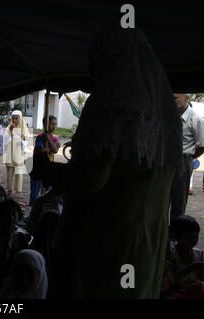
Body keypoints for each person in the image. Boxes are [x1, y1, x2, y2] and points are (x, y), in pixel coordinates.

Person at [31, 27, 182, 298]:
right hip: (146, 247)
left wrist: (45, 170)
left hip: (107, 243)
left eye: (97, 62)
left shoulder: (110, 105)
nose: (94, 73)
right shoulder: (165, 116)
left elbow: (90, 179)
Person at [169, 93, 204, 219]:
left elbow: (201, 146)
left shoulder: (195, 119)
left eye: (176, 98)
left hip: (184, 161)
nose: (173, 101)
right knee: (163, 198)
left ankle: (175, 234)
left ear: (186, 98)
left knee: (179, 201)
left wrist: (188, 158)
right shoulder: (170, 116)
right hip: (167, 161)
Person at [29, 115, 60, 207]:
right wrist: (53, 145)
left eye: (55, 124)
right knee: (35, 190)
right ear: (45, 125)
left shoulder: (54, 138)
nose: (54, 126)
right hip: (37, 167)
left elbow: (55, 150)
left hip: (48, 166)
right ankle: (32, 209)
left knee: (47, 190)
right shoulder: (39, 138)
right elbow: (41, 151)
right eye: (51, 124)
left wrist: (49, 140)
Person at [167, 216, 204, 292]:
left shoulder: (200, 254)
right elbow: (171, 282)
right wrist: (190, 269)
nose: (194, 240)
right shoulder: (171, 256)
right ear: (177, 237)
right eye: (189, 237)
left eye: (196, 236)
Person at [4, 110, 30, 196]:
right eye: (13, 118)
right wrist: (10, 131)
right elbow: (5, 139)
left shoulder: (23, 128)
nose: (15, 120)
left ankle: (18, 189)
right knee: (10, 171)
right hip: (10, 153)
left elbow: (26, 139)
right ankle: (9, 188)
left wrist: (23, 143)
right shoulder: (9, 128)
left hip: (19, 153)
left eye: (16, 118)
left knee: (19, 171)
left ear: (20, 118)